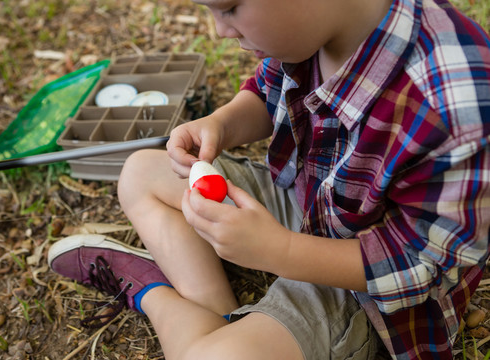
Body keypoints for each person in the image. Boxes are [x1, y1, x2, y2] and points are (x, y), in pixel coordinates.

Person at [48, 0, 490, 358]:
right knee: (141, 170)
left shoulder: (453, 107)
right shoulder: (311, 28)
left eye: (230, 7)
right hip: (313, 204)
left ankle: (152, 292)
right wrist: (221, 124)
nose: (220, 29)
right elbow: (267, 88)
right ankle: (224, 321)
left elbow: (421, 264)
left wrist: (279, 251)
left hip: (367, 294)